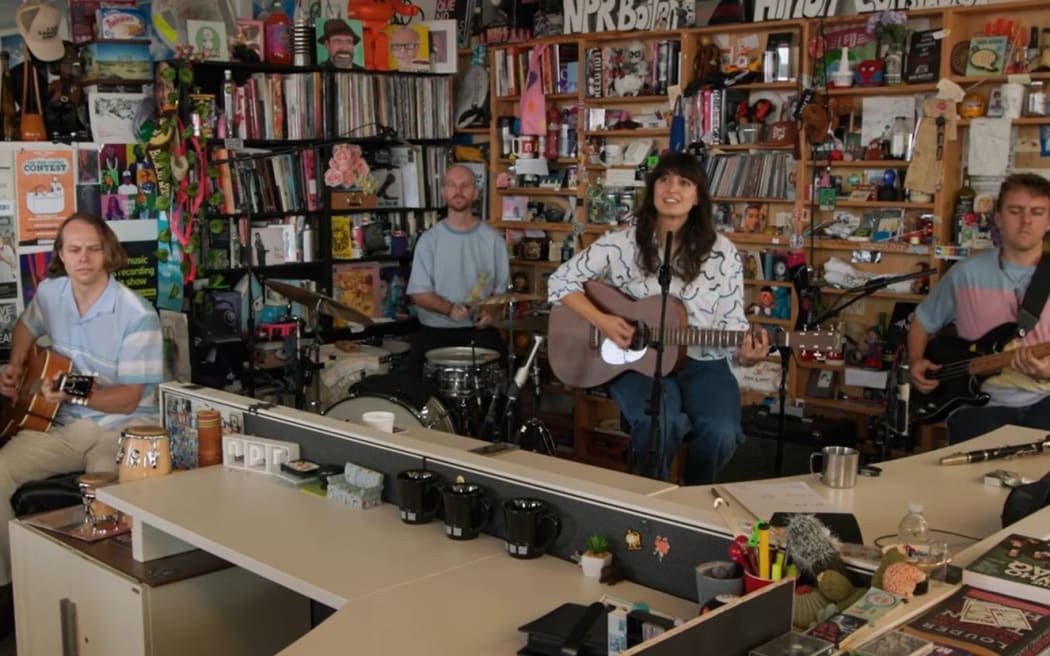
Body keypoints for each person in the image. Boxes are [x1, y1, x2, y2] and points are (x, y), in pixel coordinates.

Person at [547, 153, 769, 484]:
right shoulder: (621, 242)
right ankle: (649, 502)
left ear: (697, 196)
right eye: (664, 179)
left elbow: (733, 329)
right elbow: (559, 281)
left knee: (721, 431)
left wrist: (747, 358)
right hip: (638, 362)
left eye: (684, 182)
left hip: (702, 363)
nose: (672, 189)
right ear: (652, 189)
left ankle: (694, 500)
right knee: (660, 424)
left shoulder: (723, 253)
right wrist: (604, 322)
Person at [0, 213, 164, 635]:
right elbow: (25, 326)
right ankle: (14, 592)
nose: (84, 258)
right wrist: (16, 366)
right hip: (65, 423)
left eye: (92, 248)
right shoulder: (52, 293)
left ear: (108, 251)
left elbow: (129, 396)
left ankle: (106, 606)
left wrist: (73, 391)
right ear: (61, 255)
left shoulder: (137, 313)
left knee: (105, 491)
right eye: (74, 250)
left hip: (123, 424)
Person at [909, 173, 1050, 443]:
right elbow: (921, 322)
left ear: (1049, 221)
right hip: (978, 406)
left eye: (1037, 212)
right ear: (997, 217)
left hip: (1045, 401)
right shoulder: (965, 273)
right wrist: (916, 360)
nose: (1026, 221)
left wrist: (1047, 372)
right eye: (1015, 211)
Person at [404, 164, 510, 376]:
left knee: (505, 390)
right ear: (443, 192)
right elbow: (419, 294)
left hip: (479, 333)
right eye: (451, 185)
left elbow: (502, 294)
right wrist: (449, 309)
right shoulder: (429, 240)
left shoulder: (493, 240)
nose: (458, 191)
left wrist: (491, 312)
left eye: (465, 185)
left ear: (475, 193)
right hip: (435, 332)